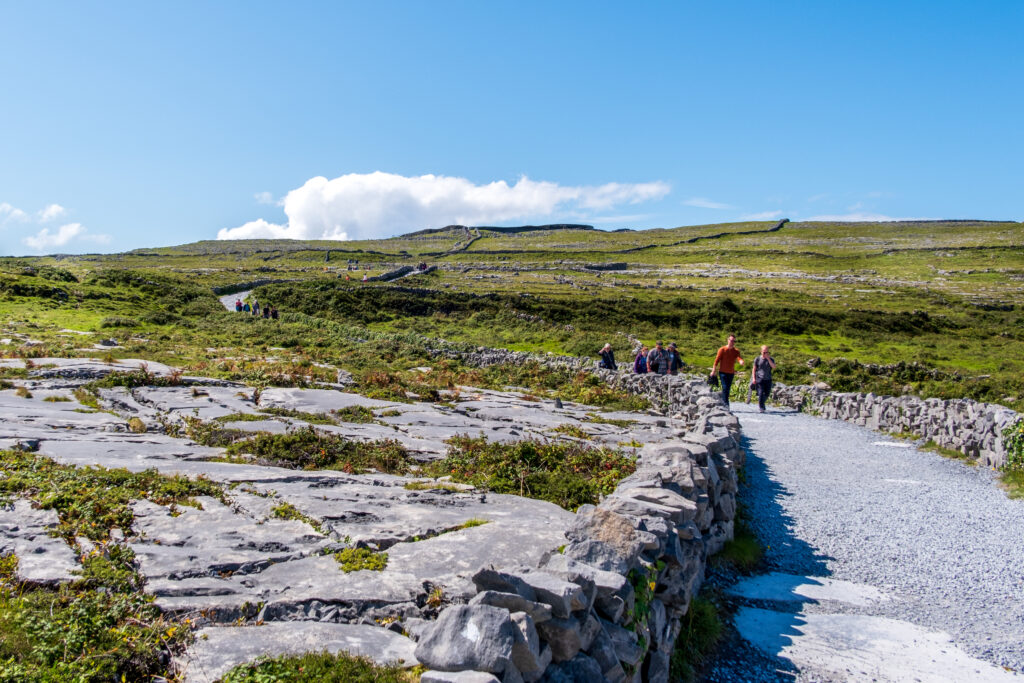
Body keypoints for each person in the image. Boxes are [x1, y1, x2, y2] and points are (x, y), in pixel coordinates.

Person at [711, 334, 744, 406]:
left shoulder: (736, 351)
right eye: (731, 340)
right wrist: (713, 370)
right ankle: (726, 404)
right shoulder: (722, 349)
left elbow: (738, 357)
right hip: (722, 372)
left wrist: (741, 361)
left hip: (731, 373)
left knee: (727, 389)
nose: (732, 342)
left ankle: (724, 402)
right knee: (725, 387)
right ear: (728, 340)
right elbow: (716, 360)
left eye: (733, 341)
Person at [751, 345, 777, 413]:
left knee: (767, 394)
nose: (765, 353)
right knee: (761, 393)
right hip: (760, 378)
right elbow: (754, 369)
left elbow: (774, 367)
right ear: (761, 351)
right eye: (764, 352)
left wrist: (768, 359)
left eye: (766, 352)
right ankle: (761, 407)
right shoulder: (757, 359)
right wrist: (754, 378)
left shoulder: (771, 359)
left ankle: (762, 403)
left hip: (768, 379)